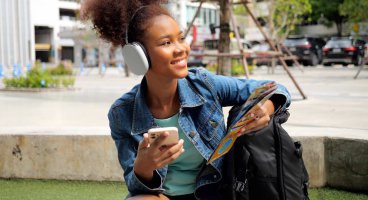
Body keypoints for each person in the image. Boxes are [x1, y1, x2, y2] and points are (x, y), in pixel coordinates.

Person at [81, 0, 291, 199]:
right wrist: (143, 168)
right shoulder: (122, 112)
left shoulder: (204, 84)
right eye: (166, 43)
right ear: (139, 56)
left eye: (181, 38)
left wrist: (268, 106)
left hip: (215, 195)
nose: (181, 49)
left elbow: (274, 88)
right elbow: (136, 188)